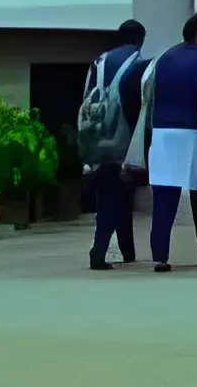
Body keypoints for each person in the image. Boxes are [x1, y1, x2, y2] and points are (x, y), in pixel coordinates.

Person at [143, 13, 197, 270]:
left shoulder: (161, 59)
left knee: (164, 198)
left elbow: (147, 92)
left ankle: (160, 256)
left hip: (161, 134)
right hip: (191, 135)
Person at [78, 18, 150, 269]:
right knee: (115, 195)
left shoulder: (98, 62)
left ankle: (127, 250)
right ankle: (98, 252)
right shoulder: (137, 63)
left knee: (113, 193)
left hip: (93, 136)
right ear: (140, 39)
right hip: (120, 139)